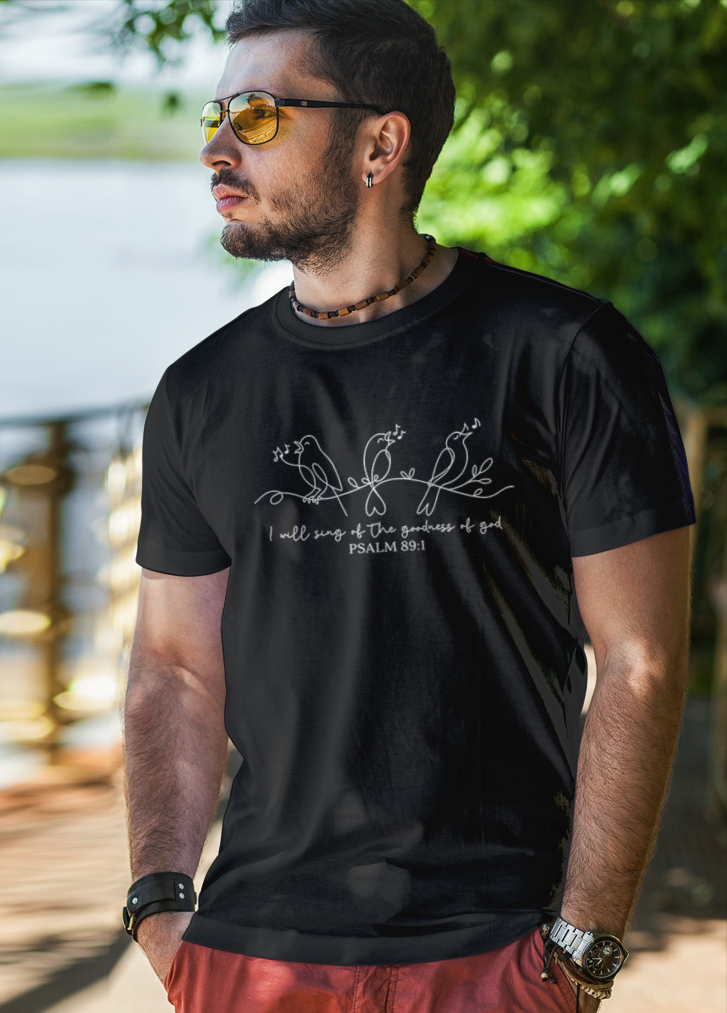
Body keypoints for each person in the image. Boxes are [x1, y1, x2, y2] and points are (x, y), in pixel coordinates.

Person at [122, 2, 696, 1011]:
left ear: (380, 145)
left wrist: (583, 948)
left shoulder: (565, 353)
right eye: (214, 117)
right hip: (251, 954)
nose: (216, 147)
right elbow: (173, 663)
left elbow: (640, 660)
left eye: (257, 116)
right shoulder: (201, 391)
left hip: (492, 949)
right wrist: (162, 906)